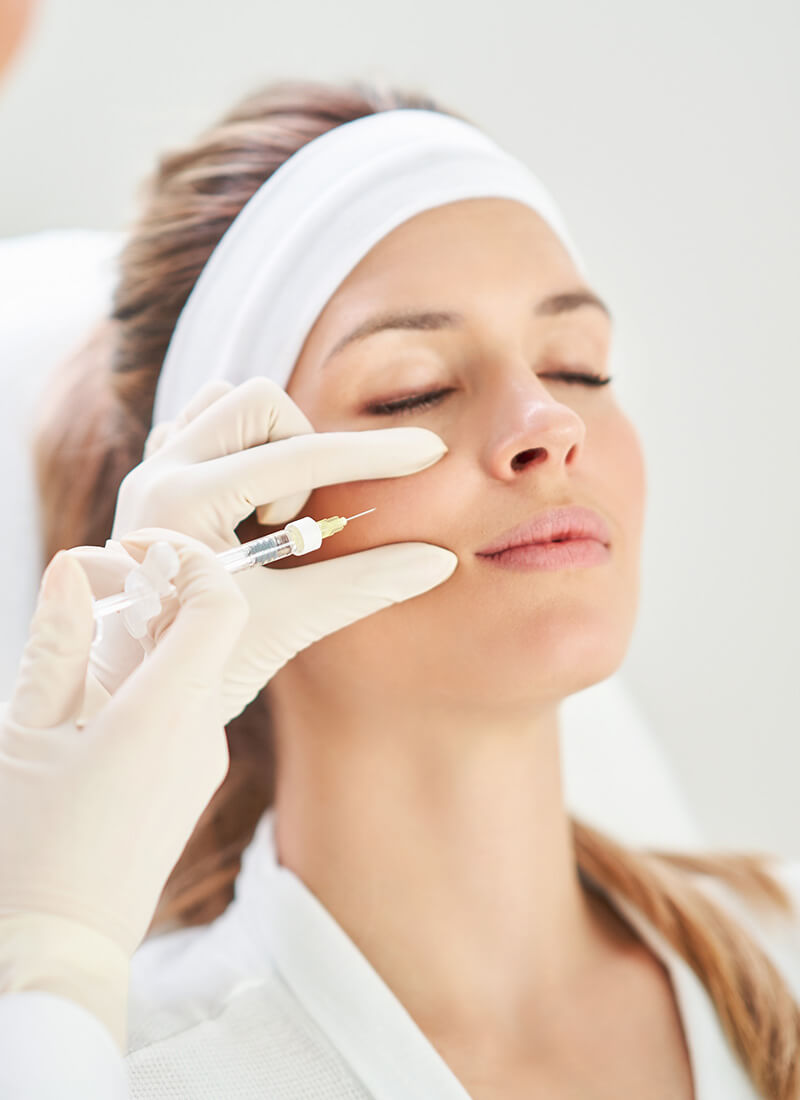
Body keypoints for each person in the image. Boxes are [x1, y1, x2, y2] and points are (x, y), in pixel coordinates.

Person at [8, 79, 800, 1098]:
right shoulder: (114, 1062)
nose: (546, 424)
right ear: (247, 517)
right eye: (412, 387)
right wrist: (49, 954)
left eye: (578, 367)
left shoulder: (777, 954)